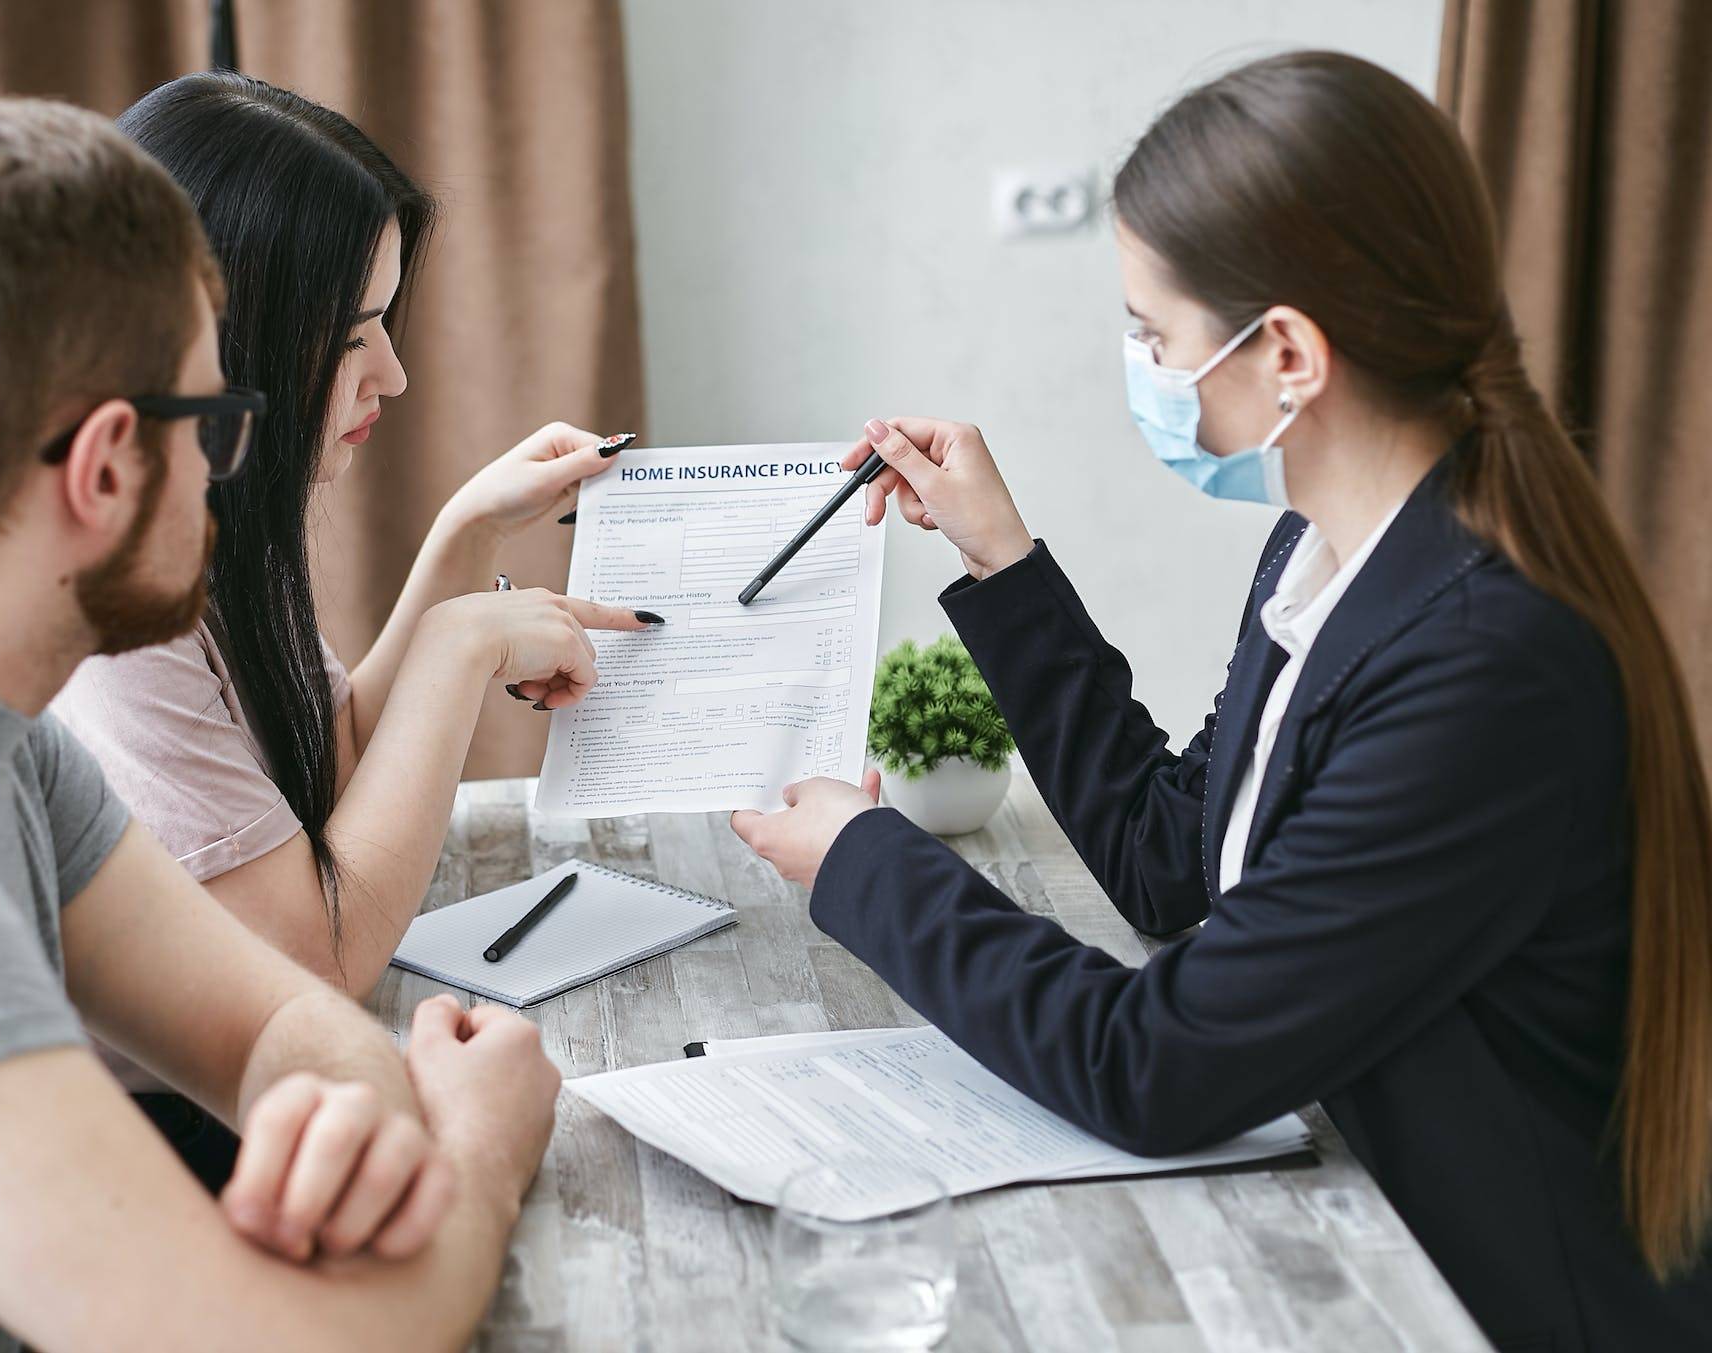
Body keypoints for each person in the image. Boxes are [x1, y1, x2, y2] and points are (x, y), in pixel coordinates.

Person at [732, 51, 1712, 1347]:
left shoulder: (1485, 666)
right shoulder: (1331, 552)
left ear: (1289, 352)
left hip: (1495, 1296)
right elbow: (1173, 859)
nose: (1140, 365)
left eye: (1154, 335)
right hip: (1361, 1208)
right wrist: (1000, 559)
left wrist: (869, 862)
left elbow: (1159, 1065)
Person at [0, 98, 566, 1353]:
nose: (225, 473)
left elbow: (278, 1019)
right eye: (217, 423)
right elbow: (270, 1341)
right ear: (102, 470)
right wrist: (478, 1141)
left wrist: (352, 1112)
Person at [48, 72, 656, 1188]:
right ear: (228, 338)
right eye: (350, 337)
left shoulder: (219, 524)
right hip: (156, 1138)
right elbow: (313, 962)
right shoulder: (118, 617)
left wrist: (465, 531)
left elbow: (318, 777)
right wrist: (461, 645)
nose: (395, 375)